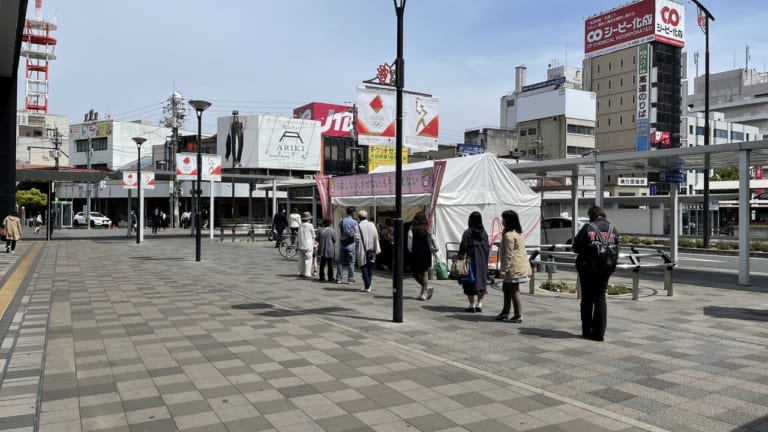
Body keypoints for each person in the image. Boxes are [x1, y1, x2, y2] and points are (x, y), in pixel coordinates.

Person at [572, 205, 619, 342]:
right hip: (606, 267)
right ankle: (599, 333)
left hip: (588, 268)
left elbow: (576, 247)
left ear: (591, 215)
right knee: (600, 297)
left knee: (587, 298)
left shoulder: (588, 227)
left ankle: (587, 330)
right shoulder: (613, 229)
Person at [496, 210, 532, 323]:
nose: (502, 221)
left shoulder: (508, 236)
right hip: (518, 266)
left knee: (513, 290)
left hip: (513, 268)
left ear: (508, 220)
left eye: (503, 219)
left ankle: (517, 314)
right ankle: (505, 312)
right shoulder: (516, 233)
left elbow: (509, 254)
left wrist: (504, 269)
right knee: (506, 288)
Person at [459, 211, 489, 313]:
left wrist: (460, 257)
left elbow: (463, 247)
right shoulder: (484, 233)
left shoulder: (467, 233)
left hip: (470, 261)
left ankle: (471, 305)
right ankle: (479, 304)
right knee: (481, 281)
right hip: (482, 261)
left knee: (469, 282)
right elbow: (487, 249)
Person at [408, 211, 437, 301]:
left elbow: (409, 242)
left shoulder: (413, 229)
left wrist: (411, 251)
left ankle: (423, 292)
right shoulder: (427, 229)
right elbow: (432, 239)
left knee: (415, 273)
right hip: (426, 252)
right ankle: (425, 291)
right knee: (424, 272)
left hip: (416, 252)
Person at [356, 210, 380, 293]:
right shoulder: (372, 224)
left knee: (364, 268)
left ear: (359, 217)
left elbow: (356, 238)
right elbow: (376, 236)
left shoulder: (358, 226)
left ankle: (368, 286)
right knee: (369, 268)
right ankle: (368, 285)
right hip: (372, 249)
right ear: (366, 216)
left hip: (363, 249)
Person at [336, 206, 358, 284]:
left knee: (340, 262)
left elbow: (340, 229)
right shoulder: (355, 222)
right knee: (351, 262)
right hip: (351, 244)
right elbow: (356, 233)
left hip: (342, 243)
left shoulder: (341, 221)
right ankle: (350, 279)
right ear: (352, 213)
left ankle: (339, 279)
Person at [296, 212, 316, 278]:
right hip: (308, 245)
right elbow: (313, 235)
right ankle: (307, 273)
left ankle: (300, 272)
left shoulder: (300, 225)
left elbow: (298, 236)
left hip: (301, 244)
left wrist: (297, 245)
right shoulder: (310, 225)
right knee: (308, 260)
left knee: (301, 259)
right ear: (309, 219)